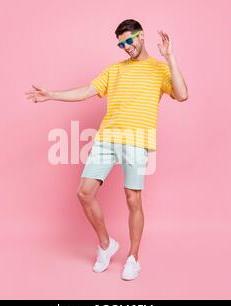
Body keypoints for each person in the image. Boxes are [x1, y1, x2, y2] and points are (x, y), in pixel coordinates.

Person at [25, 19, 188, 281]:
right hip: (107, 139)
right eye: (121, 43)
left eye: (129, 40)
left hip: (137, 139)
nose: (126, 47)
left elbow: (182, 95)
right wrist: (52, 94)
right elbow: (87, 91)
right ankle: (106, 244)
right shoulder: (114, 70)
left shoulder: (159, 69)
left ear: (141, 36)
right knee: (84, 192)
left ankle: (134, 257)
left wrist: (170, 57)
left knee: (133, 199)